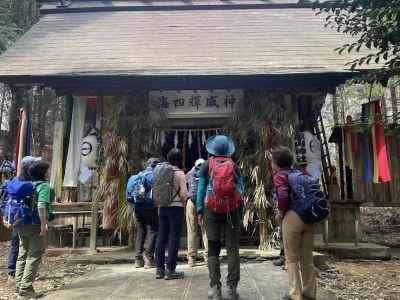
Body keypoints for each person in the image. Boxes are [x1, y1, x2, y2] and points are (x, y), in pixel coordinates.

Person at [197, 135, 244, 300]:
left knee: (213, 248)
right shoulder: (234, 165)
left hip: (212, 210)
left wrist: (199, 209)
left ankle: (215, 288)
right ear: (227, 150)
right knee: (232, 249)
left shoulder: (206, 165)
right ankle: (231, 288)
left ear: (213, 150)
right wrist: (241, 211)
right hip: (232, 211)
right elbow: (240, 190)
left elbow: (201, 188)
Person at [271, 147, 316, 300]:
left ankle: (295, 294)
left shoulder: (280, 176)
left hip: (292, 217)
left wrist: (281, 212)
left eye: (272, 160)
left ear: (276, 163)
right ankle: (310, 293)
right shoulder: (299, 174)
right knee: (307, 258)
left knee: (291, 258)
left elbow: (283, 195)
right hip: (309, 217)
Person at [15, 160, 53, 300]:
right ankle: (25, 289)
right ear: (43, 173)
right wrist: (43, 224)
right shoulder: (43, 186)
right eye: (47, 171)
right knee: (34, 255)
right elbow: (41, 205)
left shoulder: (27, 185)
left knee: (22, 254)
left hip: (20, 223)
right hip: (35, 224)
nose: (48, 173)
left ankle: (19, 287)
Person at [1, 156, 37, 286]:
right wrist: (6, 217)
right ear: (29, 168)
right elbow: (5, 201)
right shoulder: (18, 182)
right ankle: (12, 273)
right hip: (19, 219)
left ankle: (20, 273)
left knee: (22, 247)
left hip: (25, 219)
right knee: (17, 245)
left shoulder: (29, 180)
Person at [154, 149, 188, 280]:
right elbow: (184, 194)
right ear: (179, 160)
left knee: (161, 238)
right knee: (174, 238)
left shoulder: (159, 171)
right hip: (176, 208)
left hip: (162, 207)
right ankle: (170, 270)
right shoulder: (179, 173)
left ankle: (159, 269)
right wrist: (184, 205)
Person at [126, 158, 160, 268]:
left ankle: (138, 259)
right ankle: (149, 259)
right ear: (155, 166)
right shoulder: (153, 176)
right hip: (150, 207)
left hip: (138, 207)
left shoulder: (138, 176)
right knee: (153, 230)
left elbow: (129, 195)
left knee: (140, 231)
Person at [186, 158, 208, 267]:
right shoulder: (208, 172)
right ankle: (208, 257)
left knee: (192, 230)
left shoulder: (190, 173)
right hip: (204, 203)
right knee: (205, 231)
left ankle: (191, 258)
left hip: (191, 203)